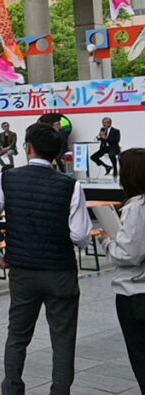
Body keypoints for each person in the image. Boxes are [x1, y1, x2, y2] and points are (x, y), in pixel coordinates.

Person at [0, 122, 91, 394]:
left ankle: (13, 388)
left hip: (22, 270)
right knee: (63, 339)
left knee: (17, 336)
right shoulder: (71, 186)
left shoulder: (6, 179)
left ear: (28, 147)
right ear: (57, 153)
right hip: (60, 272)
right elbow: (79, 235)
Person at [99, 148, 145, 388]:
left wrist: (107, 240)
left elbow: (128, 254)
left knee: (140, 356)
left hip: (135, 293)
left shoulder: (137, 207)